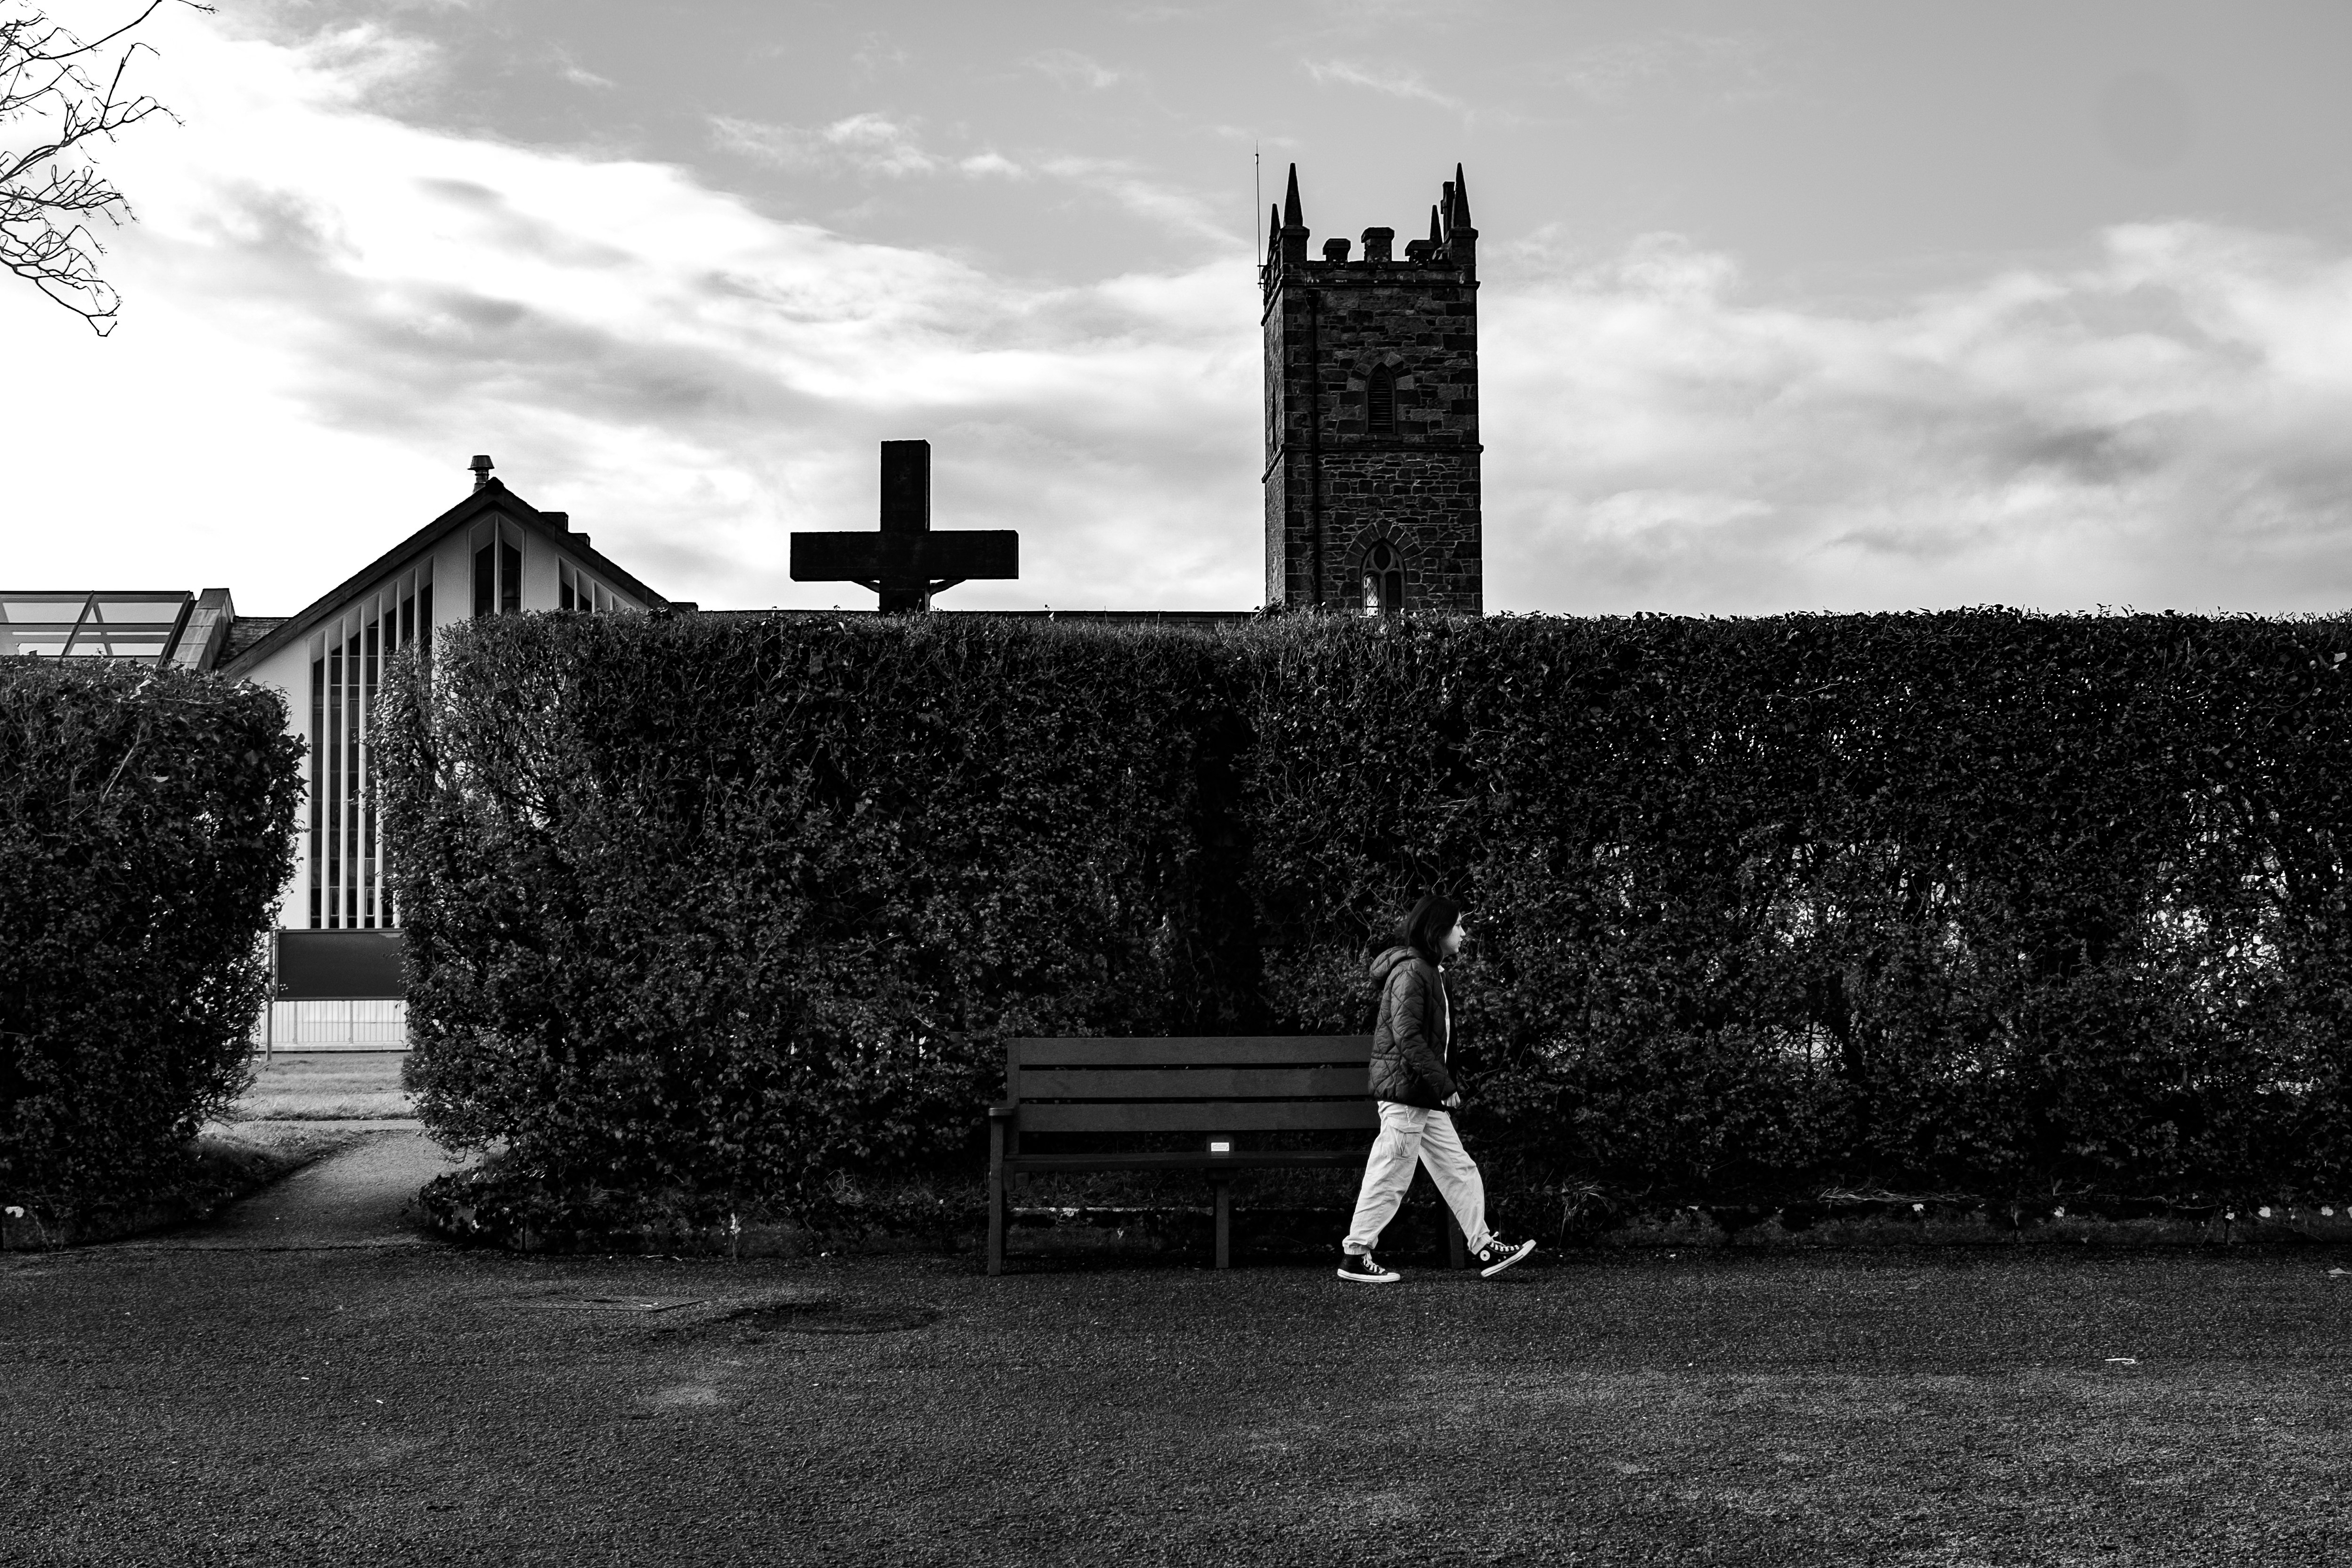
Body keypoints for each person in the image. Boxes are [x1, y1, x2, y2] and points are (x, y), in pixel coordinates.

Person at [1338, 894, 1536, 1284]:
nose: (1463, 933)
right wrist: (1443, 1084)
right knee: (1391, 1172)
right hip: (1407, 1094)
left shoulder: (1430, 970)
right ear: (1437, 931)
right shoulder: (1413, 972)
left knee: (1458, 1168)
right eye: (1458, 925)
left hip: (1420, 1095)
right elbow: (1407, 1035)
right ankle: (1355, 1254)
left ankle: (1483, 1244)